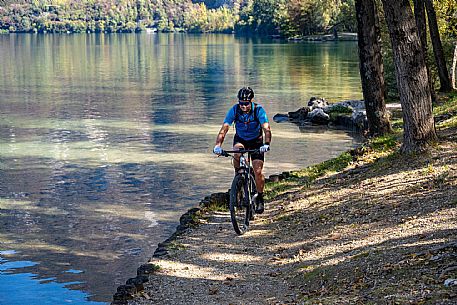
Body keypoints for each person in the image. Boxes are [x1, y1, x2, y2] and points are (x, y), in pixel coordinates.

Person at [213, 87, 272, 214]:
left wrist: (266, 144)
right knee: (237, 153)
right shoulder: (234, 110)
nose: (243, 106)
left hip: (256, 141)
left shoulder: (258, 110)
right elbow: (224, 129)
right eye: (241, 103)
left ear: (251, 101)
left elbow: (267, 129)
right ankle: (238, 177)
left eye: (246, 103)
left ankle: (260, 197)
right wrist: (218, 145)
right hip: (241, 139)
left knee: (258, 171)